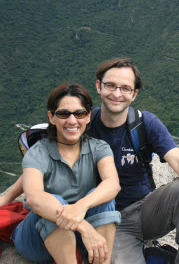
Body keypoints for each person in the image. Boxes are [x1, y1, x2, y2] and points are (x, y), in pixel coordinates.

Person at [0, 58, 179, 264]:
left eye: (125, 88)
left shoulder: (144, 123)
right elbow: (44, 161)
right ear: (99, 86)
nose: (117, 93)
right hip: (105, 217)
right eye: (110, 85)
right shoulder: (82, 123)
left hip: (143, 210)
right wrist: (7, 196)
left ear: (135, 94)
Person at [9, 83, 121, 264]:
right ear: (51, 117)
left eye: (79, 113)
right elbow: (34, 198)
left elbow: (112, 184)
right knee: (53, 201)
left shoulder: (99, 148)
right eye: (63, 114)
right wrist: (83, 226)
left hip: (78, 233)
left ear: (88, 116)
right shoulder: (38, 153)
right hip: (36, 240)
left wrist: (81, 206)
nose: (72, 121)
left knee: (103, 196)